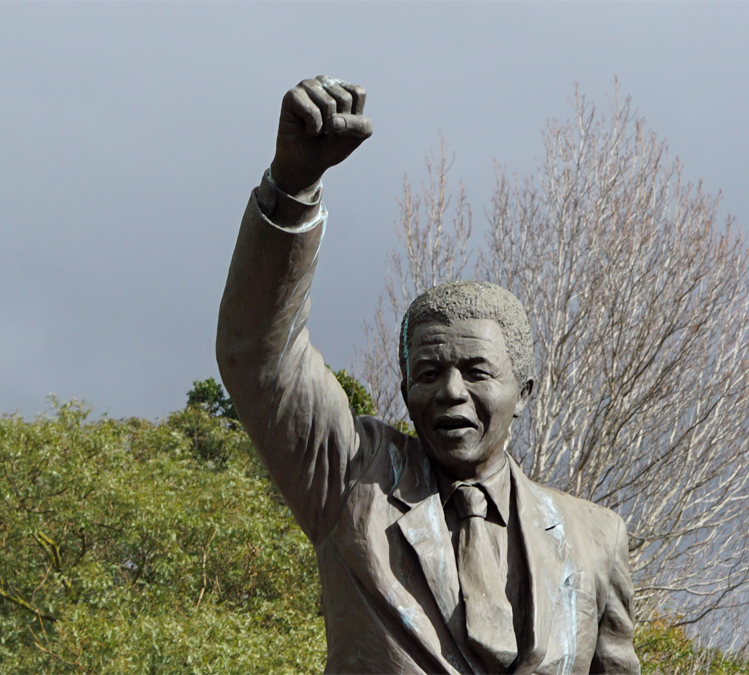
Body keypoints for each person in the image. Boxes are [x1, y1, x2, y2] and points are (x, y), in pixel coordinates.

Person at [216, 76, 639, 675]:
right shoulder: (351, 480)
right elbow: (260, 356)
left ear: (525, 391)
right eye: (429, 372)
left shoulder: (596, 538)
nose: (451, 392)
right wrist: (292, 185)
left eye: (476, 371)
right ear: (406, 389)